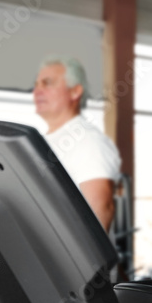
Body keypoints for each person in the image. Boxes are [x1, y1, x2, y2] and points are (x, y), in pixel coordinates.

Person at [33, 55, 121, 233]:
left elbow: (100, 210)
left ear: (75, 92)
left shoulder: (89, 141)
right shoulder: (40, 141)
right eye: (36, 85)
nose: (37, 91)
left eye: (47, 83)